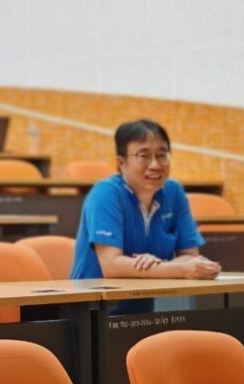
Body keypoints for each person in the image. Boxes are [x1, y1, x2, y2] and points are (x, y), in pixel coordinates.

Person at [70, 119, 220, 292]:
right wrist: (180, 269)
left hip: (152, 302)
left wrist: (158, 265)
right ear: (121, 163)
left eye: (162, 155)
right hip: (97, 302)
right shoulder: (105, 194)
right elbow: (111, 266)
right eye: (144, 156)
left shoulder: (174, 192)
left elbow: (190, 255)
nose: (155, 165)